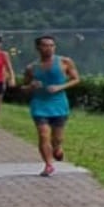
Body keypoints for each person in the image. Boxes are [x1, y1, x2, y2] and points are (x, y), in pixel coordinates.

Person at [22, 36, 80, 177]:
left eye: (52, 45)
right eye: (45, 45)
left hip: (59, 104)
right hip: (39, 104)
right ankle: (48, 165)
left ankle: (58, 148)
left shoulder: (64, 61)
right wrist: (31, 86)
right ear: (38, 48)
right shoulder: (32, 67)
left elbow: (76, 79)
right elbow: (23, 87)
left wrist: (60, 86)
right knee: (43, 135)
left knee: (57, 139)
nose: (49, 48)